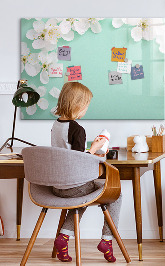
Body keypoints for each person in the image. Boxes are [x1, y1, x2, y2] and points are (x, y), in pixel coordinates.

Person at [51, 82, 121, 263]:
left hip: (57, 186)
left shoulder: (56, 125)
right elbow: (79, 161)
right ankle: (107, 240)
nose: (86, 109)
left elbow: (68, 154)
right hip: (74, 186)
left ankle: (63, 238)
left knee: (81, 197)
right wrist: (95, 148)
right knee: (116, 194)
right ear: (78, 105)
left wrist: (90, 150)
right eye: (86, 105)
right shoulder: (77, 129)